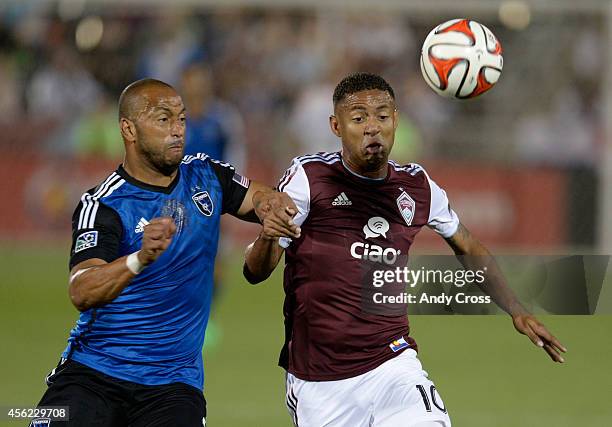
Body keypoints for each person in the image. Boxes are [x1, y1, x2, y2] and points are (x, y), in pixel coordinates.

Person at [243, 72, 566, 427]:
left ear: (396, 120)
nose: (372, 128)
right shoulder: (309, 178)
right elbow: (255, 272)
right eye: (359, 118)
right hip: (320, 382)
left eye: (382, 116)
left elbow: (468, 244)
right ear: (336, 126)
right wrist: (269, 237)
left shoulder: (417, 185)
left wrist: (517, 311)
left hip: (393, 365)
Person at [34, 78, 299, 427]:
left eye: (181, 119)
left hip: (174, 386)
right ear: (129, 129)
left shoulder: (206, 175)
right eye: (163, 119)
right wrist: (139, 258)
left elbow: (257, 197)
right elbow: (81, 290)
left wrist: (272, 204)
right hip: (93, 374)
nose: (177, 130)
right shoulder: (103, 205)